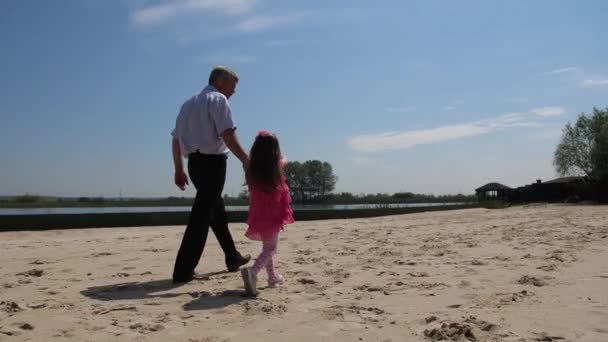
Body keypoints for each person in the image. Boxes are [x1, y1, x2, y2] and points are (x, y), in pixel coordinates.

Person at [170, 66, 251, 283]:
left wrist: (179, 169)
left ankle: (232, 257)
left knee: (215, 211)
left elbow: (176, 139)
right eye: (233, 85)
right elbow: (227, 134)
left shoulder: (188, 104)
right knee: (201, 216)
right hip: (213, 164)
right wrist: (245, 159)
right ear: (219, 81)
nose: (234, 90)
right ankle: (183, 271)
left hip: (194, 166)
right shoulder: (218, 100)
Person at [240, 131, 295, 296]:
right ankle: (253, 272)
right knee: (271, 249)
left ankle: (272, 278)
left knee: (267, 247)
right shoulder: (276, 165)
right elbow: (284, 160)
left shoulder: (252, 169)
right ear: (274, 151)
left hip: (259, 214)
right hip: (273, 215)